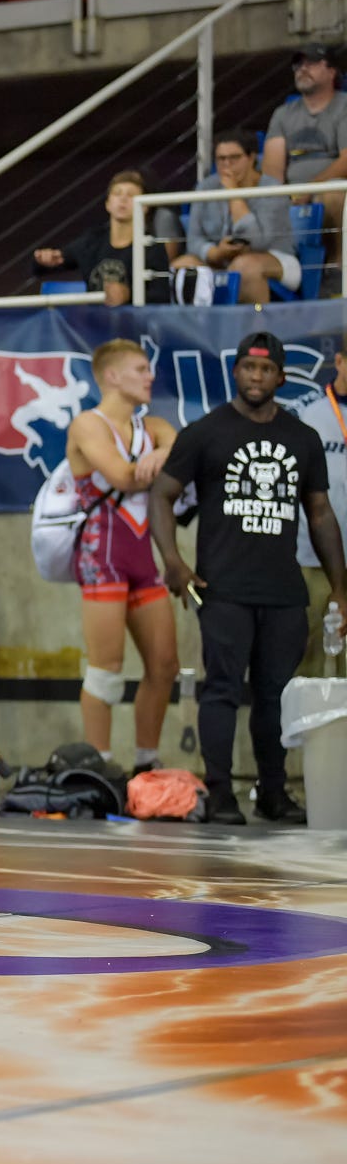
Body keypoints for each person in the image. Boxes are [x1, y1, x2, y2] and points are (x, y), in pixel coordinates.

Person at [151, 331, 347, 825]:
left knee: (275, 695)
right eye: (247, 368)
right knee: (220, 689)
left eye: (265, 370)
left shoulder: (301, 437)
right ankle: (220, 793)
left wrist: (341, 587)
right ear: (236, 371)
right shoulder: (206, 431)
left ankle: (273, 793)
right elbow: (161, 494)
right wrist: (173, 562)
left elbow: (320, 515)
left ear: (280, 376)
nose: (255, 377)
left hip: (283, 590)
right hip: (223, 589)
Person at [64, 340, 180, 767]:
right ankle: (100, 766)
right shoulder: (88, 426)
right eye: (141, 368)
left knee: (165, 665)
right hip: (102, 559)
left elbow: (183, 451)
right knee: (106, 671)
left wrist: (166, 453)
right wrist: (164, 459)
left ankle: (146, 763)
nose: (150, 376)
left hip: (142, 560)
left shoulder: (154, 428)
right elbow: (125, 476)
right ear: (112, 376)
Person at [170, 131, 299, 304]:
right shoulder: (206, 187)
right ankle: (196, 329)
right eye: (221, 159)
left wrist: (234, 195)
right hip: (221, 260)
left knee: (243, 266)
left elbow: (260, 242)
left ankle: (255, 329)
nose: (227, 165)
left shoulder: (272, 188)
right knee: (182, 266)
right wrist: (215, 253)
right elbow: (194, 240)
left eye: (234, 158)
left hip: (275, 258)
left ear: (252, 157)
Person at [263, 44, 347, 277]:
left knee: (333, 194)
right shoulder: (283, 114)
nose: (302, 69)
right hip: (295, 193)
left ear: (332, 72)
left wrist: (310, 190)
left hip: (331, 190)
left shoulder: (344, 106)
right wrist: (283, 197)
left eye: (311, 63)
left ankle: (336, 269)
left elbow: (346, 160)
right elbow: (272, 169)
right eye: (299, 64)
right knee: (265, 195)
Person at [32, 170, 172, 305]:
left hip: (134, 326)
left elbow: (162, 297)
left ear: (144, 207)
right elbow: (46, 266)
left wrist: (128, 295)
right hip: (94, 325)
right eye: (117, 193)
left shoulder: (151, 247)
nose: (123, 199)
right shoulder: (92, 240)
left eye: (131, 195)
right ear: (108, 204)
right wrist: (44, 260)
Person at [296, 340, 347, 676]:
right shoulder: (304, 412)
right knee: (306, 662)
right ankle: (298, 731)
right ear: (339, 361)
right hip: (313, 561)